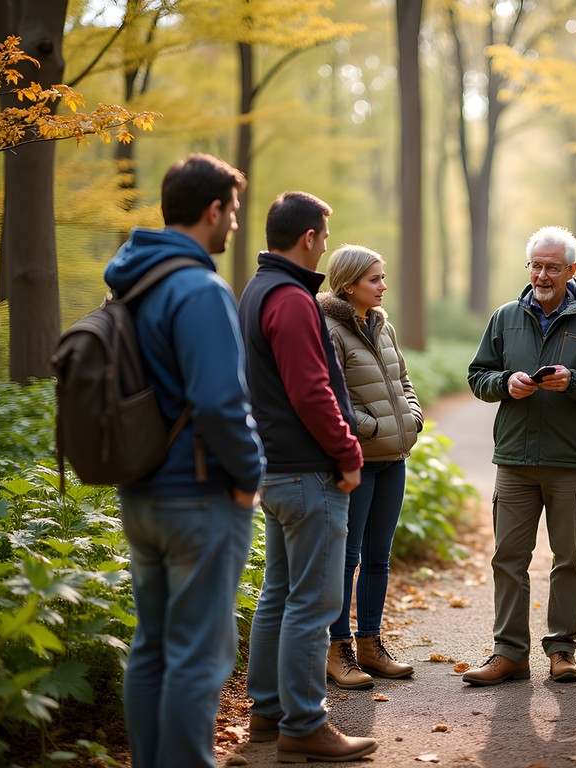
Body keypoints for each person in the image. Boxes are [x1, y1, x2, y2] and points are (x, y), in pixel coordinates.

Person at [103, 153, 266, 768]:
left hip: (140, 490)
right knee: (198, 654)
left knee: (153, 647)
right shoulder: (197, 287)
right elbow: (221, 401)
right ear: (212, 210)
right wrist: (250, 475)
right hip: (198, 497)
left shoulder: (132, 279)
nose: (232, 225)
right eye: (232, 211)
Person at [238, 192, 377, 761]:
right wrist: (347, 453)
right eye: (322, 233)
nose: (324, 242)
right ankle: (304, 724)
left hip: (276, 469)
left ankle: (267, 712)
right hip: (306, 472)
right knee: (314, 604)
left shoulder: (255, 291)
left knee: (279, 595)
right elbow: (310, 390)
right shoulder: (293, 300)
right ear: (308, 237)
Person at [464, 225, 576, 686]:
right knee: (507, 558)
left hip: (569, 462)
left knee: (567, 559)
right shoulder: (505, 317)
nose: (542, 274)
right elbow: (478, 376)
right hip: (514, 460)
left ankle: (561, 651)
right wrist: (505, 384)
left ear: (572, 270)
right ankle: (509, 653)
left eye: (552, 267)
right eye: (535, 265)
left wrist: (574, 381)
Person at [317, 245, 423, 689]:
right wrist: (378, 426)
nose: (383, 286)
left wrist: (412, 417)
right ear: (348, 285)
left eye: (383, 277)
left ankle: (369, 643)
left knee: (379, 556)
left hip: (393, 459)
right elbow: (331, 400)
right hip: (357, 460)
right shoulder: (329, 330)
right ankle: (336, 649)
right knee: (348, 557)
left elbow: (403, 380)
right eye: (374, 279)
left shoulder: (383, 326)